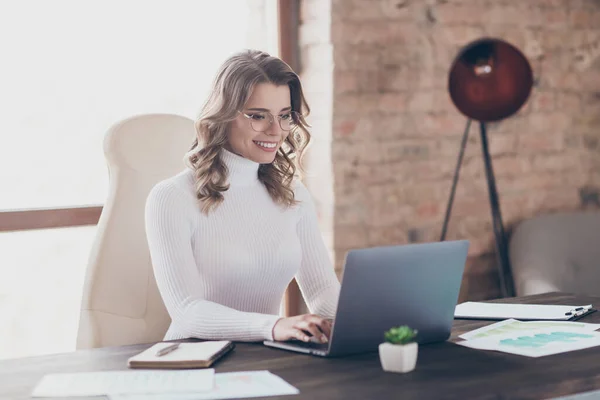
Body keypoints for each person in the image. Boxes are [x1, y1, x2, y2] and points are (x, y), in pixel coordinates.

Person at [145, 49, 340, 345]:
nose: (276, 131)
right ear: (223, 116)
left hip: (267, 355)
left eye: (284, 116)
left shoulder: (293, 195)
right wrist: (274, 327)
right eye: (258, 116)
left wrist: (381, 320)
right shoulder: (171, 198)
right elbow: (187, 312)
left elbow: (323, 292)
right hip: (194, 361)